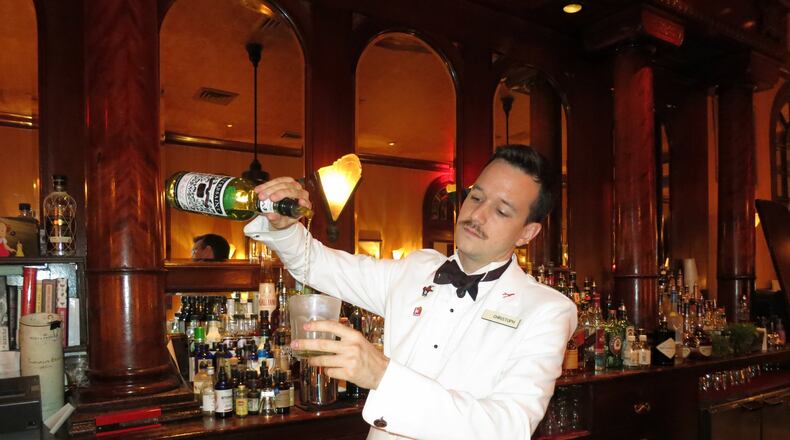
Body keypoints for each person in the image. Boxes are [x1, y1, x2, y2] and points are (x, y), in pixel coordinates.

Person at [244, 145, 577, 439]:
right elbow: (314, 264)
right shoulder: (415, 270)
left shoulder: (546, 310)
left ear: (527, 232)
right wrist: (283, 225)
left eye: (502, 210)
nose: (477, 214)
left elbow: (508, 428)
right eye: (476, 197)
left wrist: (383, 376)